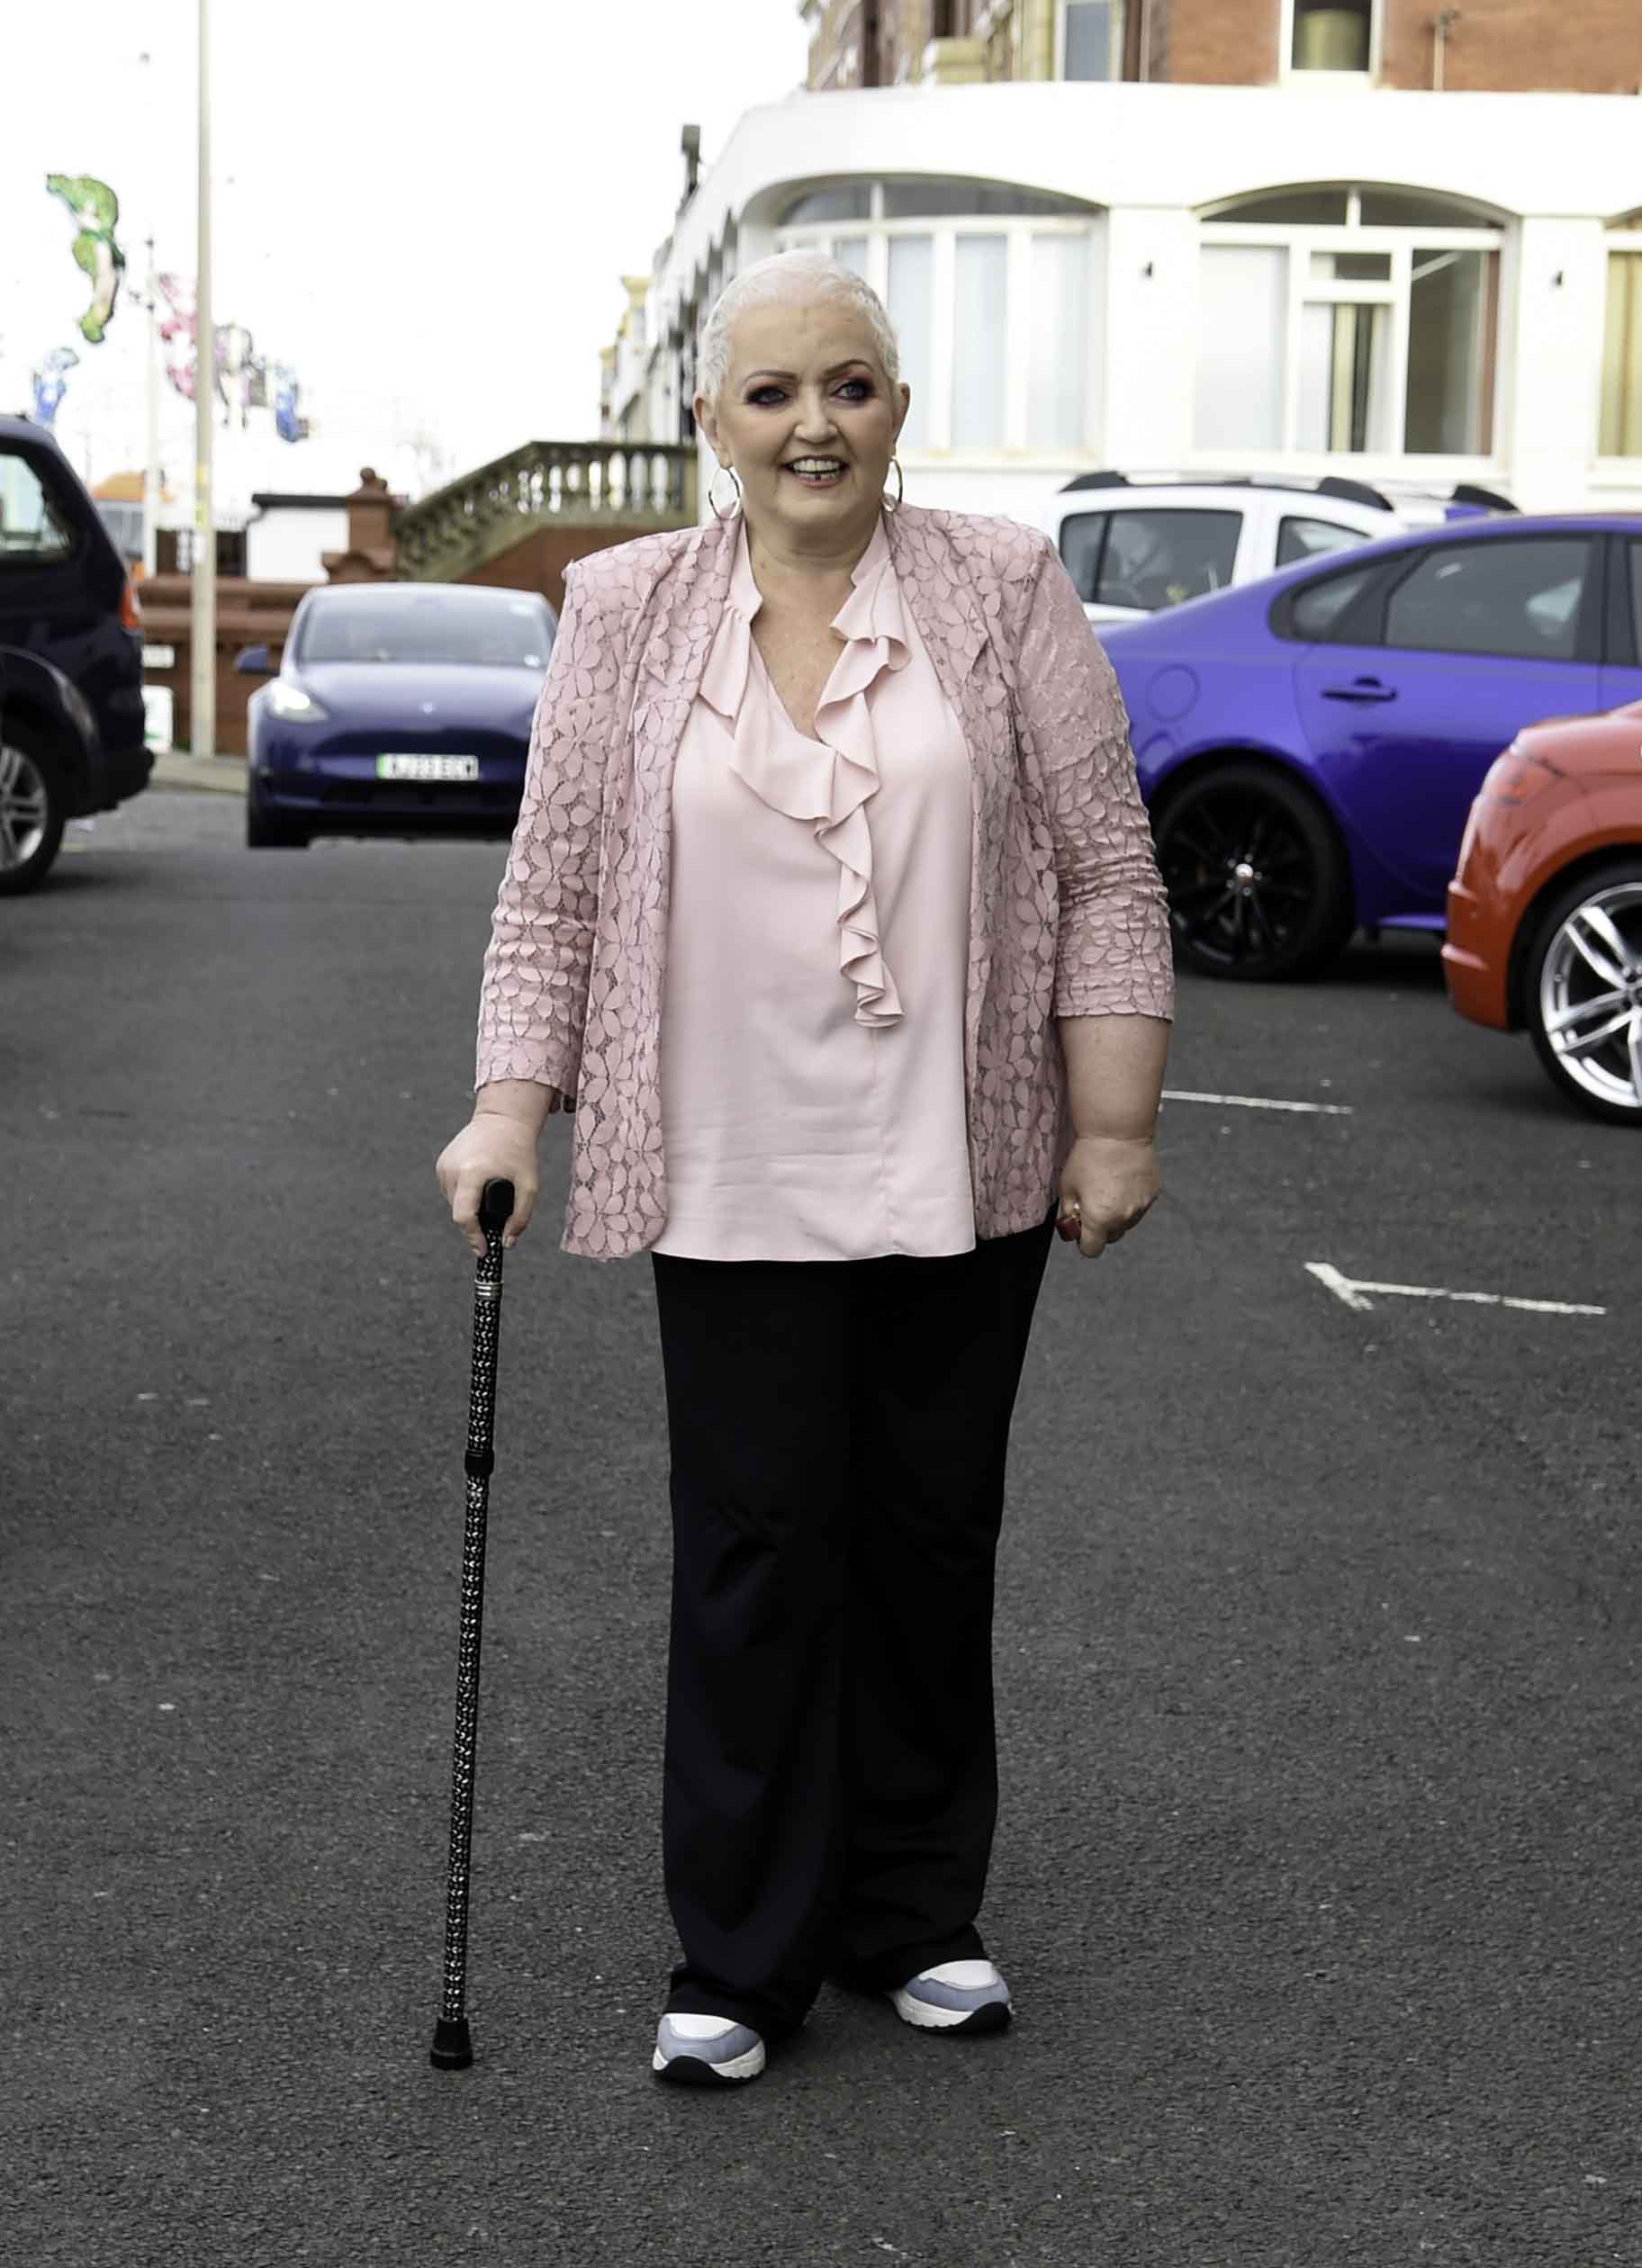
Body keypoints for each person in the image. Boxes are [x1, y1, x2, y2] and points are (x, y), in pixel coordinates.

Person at [436, 248, 1175, 2089]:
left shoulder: (1000, 591)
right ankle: (743, 1953)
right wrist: (512, 1109)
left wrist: (1112, 1121)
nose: (812, 424)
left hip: (962, 1152)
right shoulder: (619, 614)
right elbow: (555, 895)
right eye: (771, 393)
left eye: (848, 385)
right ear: (712, 424)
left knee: (931, 1539)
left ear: (898, 408)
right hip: (730, 1164)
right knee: (758, 1551)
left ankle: (914, 1912)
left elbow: (1102, 864)